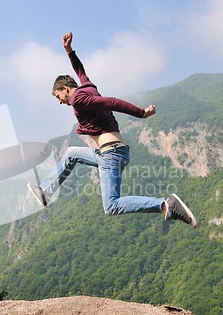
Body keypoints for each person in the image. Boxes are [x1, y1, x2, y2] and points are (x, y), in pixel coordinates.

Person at [28, 32, 197, 228]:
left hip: (111, 154)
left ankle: (164, 204)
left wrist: (141, 113)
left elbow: (113, 102)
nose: (60, 102)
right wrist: (69, 52)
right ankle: (46, 191)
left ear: (66, 88)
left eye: (59, 96)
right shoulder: (88, 88)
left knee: (111, 206)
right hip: (110, 152)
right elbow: (80, 71)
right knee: (71, 153)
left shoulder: (78, 99)